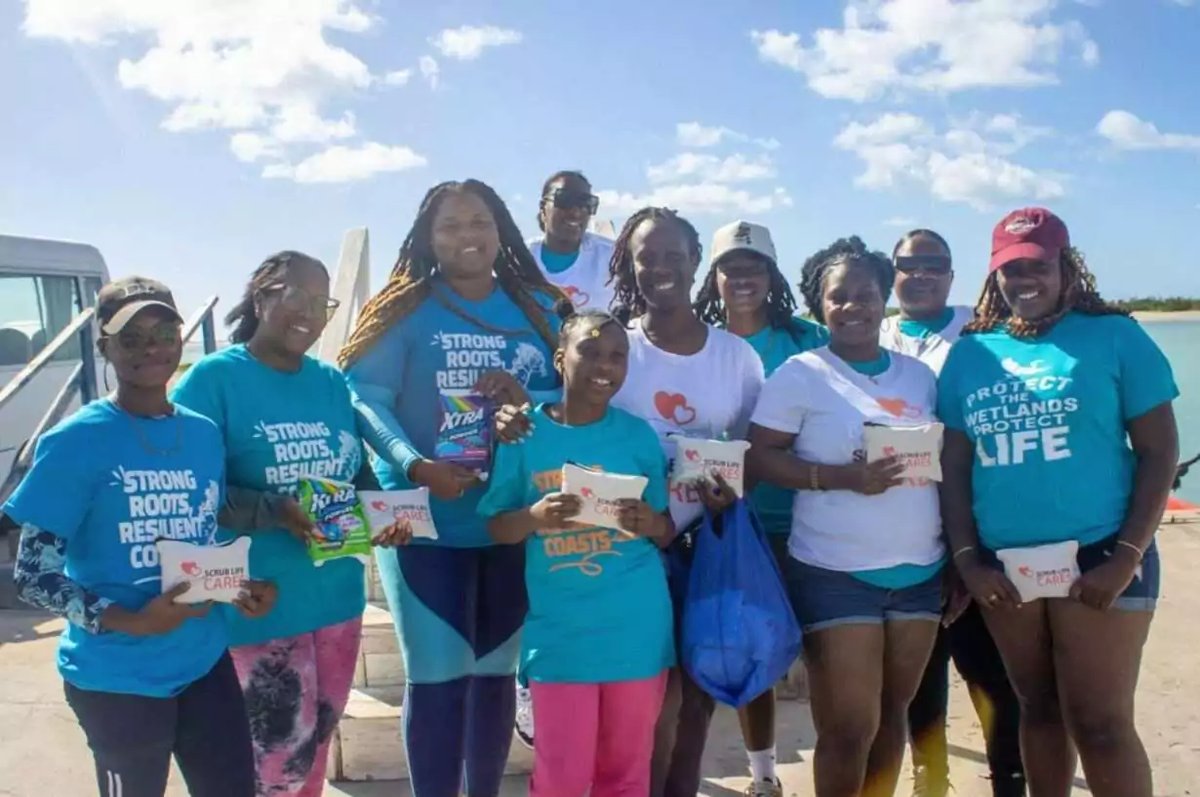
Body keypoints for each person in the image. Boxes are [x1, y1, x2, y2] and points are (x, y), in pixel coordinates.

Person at [938, 208, 1179, 797]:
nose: (1025, 280)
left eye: (1038, 266)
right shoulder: (972, 354)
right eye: (1010, 268)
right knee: (1037, 709)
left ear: (1066, 267)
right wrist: (969, 559)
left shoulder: (1116, 336)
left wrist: (1125, 556)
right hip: (1007, 571)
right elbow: (954, 464)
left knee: (1099, 725)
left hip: (1102, 560)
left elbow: (1160, 452)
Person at [4, 277, 276, 797]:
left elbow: (194, 532)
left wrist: (237, 585)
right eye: (130, 338)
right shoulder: (75, 440)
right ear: (104, 347)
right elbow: (33, 575)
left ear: (180, 338)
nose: (150, 347)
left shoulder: (201, 433)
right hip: (116, 678)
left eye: (163, 332)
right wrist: (132, 619)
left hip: (203, 660)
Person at [339, 179, 567, 797]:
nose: (468, 236)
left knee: (494, 675)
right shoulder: (404, 309)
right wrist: (415, 465)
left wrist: (533, 400)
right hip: (420, 516)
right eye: (451, 226)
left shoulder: (540, 311)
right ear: (426, 239)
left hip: (509, 516)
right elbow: (365, 398)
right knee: (438, 677)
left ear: (502, 230)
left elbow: (577, 396)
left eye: (480, 222)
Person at [172, 252, 408, 796]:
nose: (308, 312)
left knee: (314, 757)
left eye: (320, 301)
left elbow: (358, 471)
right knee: (276, 771)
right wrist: (274, 510)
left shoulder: (329, 382)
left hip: (336, 602)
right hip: (260, 607)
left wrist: (383, 516)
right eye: (293, 295)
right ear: (262, 299)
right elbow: (184, 488)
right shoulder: (215, 379)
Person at [747, 237, 944, 797]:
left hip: (920, 572)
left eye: (866, 294)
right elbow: (761, 456)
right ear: (819, 304)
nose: (854, 306)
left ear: (885, 300)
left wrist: (958, 555)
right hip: (834, 572)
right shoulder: (799, 374)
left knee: (892, 715)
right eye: (839, 297)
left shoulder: (918, 376)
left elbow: (944, 461)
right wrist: (839, 477)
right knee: (849, 726)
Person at [479, 308, 675, 797]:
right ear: (560, 358)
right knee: (561, 779)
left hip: (636, 629)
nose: (604, 366)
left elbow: (666, 528)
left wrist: (647, 522)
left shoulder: (637, 436)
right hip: (561, 637)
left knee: (626, 776)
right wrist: (535, 518)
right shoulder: (524, 434)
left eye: (617, 356)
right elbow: (499, 527)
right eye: (590, 350)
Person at [606, 206, 764, 797]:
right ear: (629, 264)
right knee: (652, 701)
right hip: (631, 549)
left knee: (696, 701)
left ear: (697, 263)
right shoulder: (614, 349)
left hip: (708, 549)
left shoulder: (737, 358)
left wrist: (729, 492)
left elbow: (755, 452)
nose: (662, 267)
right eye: (648, 256)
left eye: (675, 255)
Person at [881, 229, 1025, 797]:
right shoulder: (875, 330)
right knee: (921, 674)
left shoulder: (984, 330)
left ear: (952, 273)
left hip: (977, 527)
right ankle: (930, 778)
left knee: (991, 671)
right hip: (908, 530)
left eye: (934, 265)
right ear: (892, 272)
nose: (920, 275)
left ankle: (1009, 779)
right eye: (908, 265)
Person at [692, 219, 827, 796]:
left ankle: (836, 769)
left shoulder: (810, 338)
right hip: (729, 526)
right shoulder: (699, 342)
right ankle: (765, 775)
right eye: (730, 267)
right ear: (714, 277)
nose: (742, 278)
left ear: (772, 274)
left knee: (826, 657)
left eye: (754, 267)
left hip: (810, 522)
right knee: (745, 650)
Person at [527, 170, 615, 313]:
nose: (576, 212)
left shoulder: (613, 258)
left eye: (586, 203)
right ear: (543, 208)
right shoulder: (519, 260)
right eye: (565, 200)